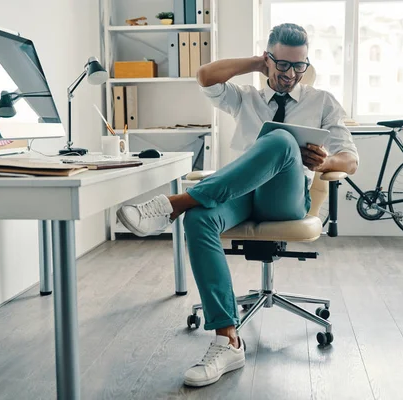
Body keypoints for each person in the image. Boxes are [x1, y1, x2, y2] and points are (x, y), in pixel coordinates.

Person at [116, 23, 359, 387]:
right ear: (268, 58)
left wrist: (324, 163)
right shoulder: (246, 97)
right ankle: (227, 340)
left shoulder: (322, 101)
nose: (290, 74)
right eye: (282, 64)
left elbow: (350, 161)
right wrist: (255, 64)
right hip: (238, 195)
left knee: (279, 140)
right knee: (199, 220)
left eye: (299, 66)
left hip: (286, 199)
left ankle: (174, 203)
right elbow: (204, 76)